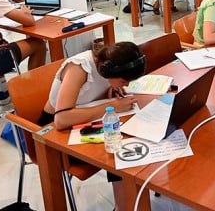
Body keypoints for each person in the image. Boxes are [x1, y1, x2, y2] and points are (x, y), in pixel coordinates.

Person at [37, 41, 143, 211]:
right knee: (119, 149)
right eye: (124, 81)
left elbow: (91, 93)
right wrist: (112, 107)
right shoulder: (78, 69)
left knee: (128, 139)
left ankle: (126, 204)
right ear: (109, 70)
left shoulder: (107, 63)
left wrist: (112, 89)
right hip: (54, 133)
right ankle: (123, 207)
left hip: (83, 119)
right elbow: (61, 119)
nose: (127, 86)